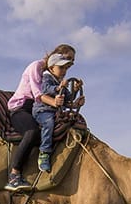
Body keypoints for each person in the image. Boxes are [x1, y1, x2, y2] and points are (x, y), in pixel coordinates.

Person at [5, 44, 76, 190]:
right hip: (22, 108)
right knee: (32, 132)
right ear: (57, 55)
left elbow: (60, 98)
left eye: (72, 61)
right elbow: (39, 95)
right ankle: (14, 175)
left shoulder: (56, 76)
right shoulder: (36, 67)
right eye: (68, 58)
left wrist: (73, 100)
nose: (70, 64)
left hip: (41, 108)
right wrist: (55, 102)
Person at [32, 52, 84, 172]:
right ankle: (44, 152)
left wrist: (75, 91)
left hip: (56, 111)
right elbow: (45, 89)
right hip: (43, 110)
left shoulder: (60, 81)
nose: (64, 71)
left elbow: (68, 98)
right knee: (49, 123)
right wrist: (58, 87)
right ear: (51, 68)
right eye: (61, 67)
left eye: (65, 68)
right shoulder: (47, 78)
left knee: (74, 120)